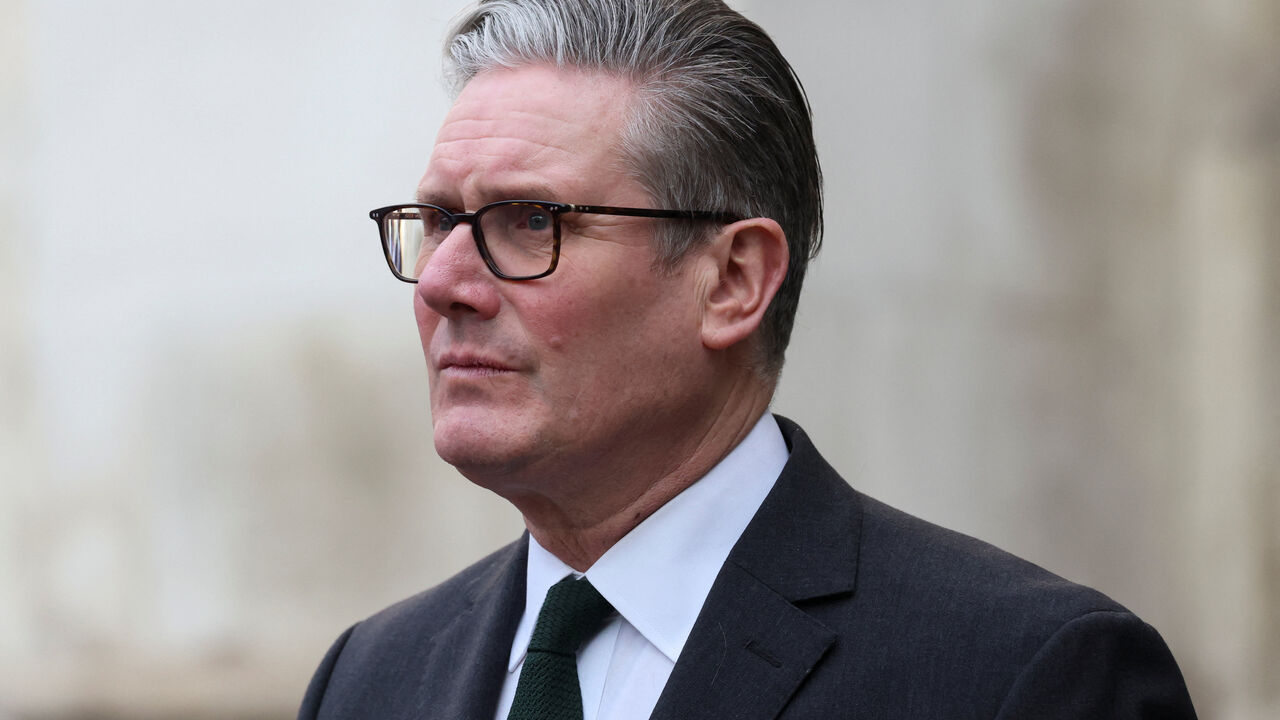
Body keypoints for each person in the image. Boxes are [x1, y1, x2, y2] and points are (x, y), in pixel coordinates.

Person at [299, 0, 1197, 717]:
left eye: (530, 221)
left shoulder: (1024, 676)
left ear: (732, 279)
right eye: (439, 223)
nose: (444, 283)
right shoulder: (370, 679)